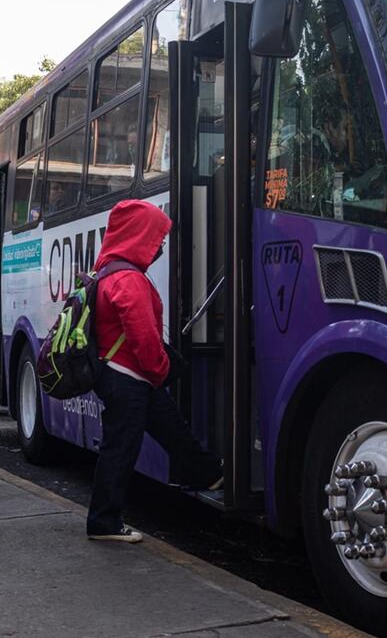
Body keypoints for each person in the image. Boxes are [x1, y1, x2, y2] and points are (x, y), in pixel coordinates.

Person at [87, 199, 222, 543]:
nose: (160, 245)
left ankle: (209, 474)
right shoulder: (128, 279)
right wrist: (161, 370)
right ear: (138, 235)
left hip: (128, 377)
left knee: (171, 427)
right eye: (156, 237)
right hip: (129, 377)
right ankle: (104, 523)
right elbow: (144, 338)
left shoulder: (109, 271)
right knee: (120, 450)